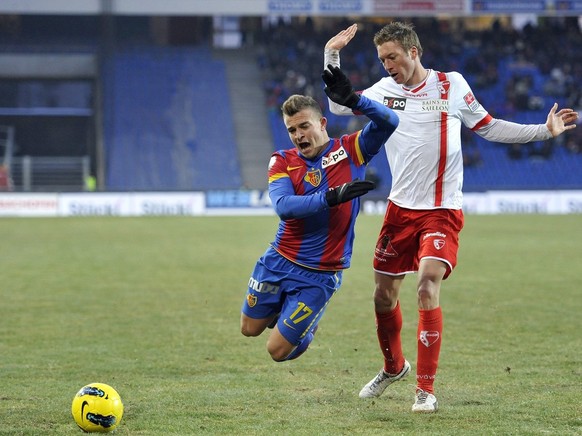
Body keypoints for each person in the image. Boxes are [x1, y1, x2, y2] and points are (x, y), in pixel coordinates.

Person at [323, 22, 579, 412]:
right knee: (382, 296)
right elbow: (339, 105)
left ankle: (424, 389)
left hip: (442, 211)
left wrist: (544, 131)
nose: (387, 64)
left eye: (392, 56)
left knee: (426, 287)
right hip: (399, 210)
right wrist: (331, 54)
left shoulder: (451, 85)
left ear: (414, 51)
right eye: (382, 59)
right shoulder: (383, 92)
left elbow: (490, 128)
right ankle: (393, 367)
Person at [240, 65, 399, 363]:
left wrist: (355, 100)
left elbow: (390, 121)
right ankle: (287, 309)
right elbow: (284, 207)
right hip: (279, 259)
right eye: (292, 130)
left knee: (276, 352)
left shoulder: (352, 150)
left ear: (322, 123)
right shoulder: (282, 161)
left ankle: (308, 325)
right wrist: (332, 197)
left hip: (321, 272)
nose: (298, 135)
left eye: (304, 126)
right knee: (249, 329)